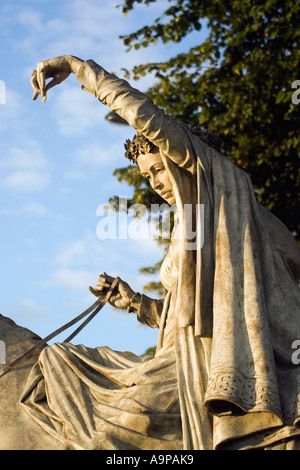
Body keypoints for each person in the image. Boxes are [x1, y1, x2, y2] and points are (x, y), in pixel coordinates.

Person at [22, 55, 300, 450]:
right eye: (147, 175)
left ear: (188, 161)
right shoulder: (189, 226)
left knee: (103, 418)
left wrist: (79, 68)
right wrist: (135, 302)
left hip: (209, 363)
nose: (154, 183)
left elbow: (146, 117)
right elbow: (185, 315)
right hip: (177, 357)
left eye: (159, 168)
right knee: (64, 362)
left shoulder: (216, 187)